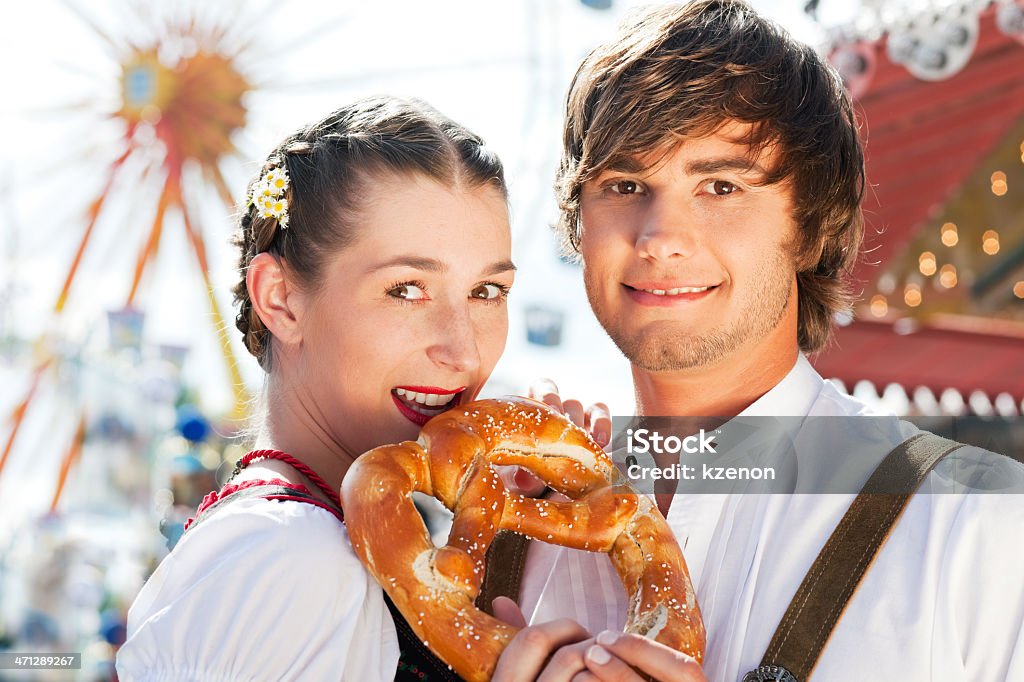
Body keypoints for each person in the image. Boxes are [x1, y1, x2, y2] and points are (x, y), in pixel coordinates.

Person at [493, 1, 1024, 680]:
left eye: (720, 186)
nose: (660, 239)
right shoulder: (508, 530)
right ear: (578, 222)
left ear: (812, 225)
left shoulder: (976, 527)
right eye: (625, 185)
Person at [116, 95, 522, 680]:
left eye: (487, 292)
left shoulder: (305, 541)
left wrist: (519, 548)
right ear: (280, 299)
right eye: (406, 289)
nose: (463, 350)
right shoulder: (294, 554)